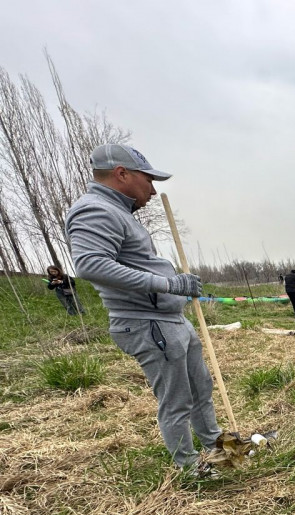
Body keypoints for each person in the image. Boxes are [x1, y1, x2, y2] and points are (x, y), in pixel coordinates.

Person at [65, 144, 222, 475]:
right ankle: (191, 468)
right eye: (148, 180)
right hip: (148, 323)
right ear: (122, 174)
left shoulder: (118, 211)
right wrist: (167, 284)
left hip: (168, 319)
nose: (153, 189)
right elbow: (91, 264)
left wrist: (174, 282)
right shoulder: (95, 210)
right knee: (177, 399)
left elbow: (133, 262)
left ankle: (216, 443)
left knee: (200, 387)